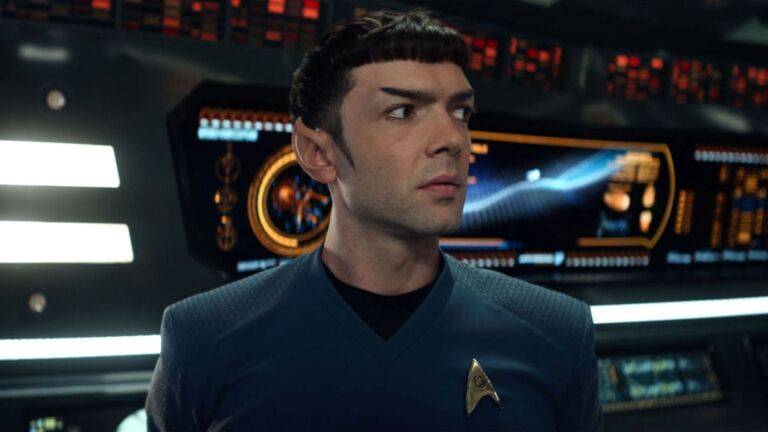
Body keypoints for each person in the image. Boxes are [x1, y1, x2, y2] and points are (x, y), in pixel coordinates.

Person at [146, 9, 603, 431]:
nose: (452, 139)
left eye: (460, 112)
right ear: (318, 153)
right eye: (402, 111)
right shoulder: (203, 338)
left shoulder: (556, 333)